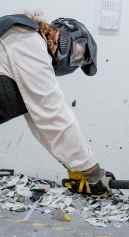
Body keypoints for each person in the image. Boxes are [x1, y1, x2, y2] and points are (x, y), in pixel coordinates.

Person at [0, 14, 114, 195]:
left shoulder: (21, 37)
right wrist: (91, 171)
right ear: (67, 35)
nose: (73, 62)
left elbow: (41, 120)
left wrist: (74, 165)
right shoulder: (27, 40)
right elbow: (53, 115)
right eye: (77, 54)